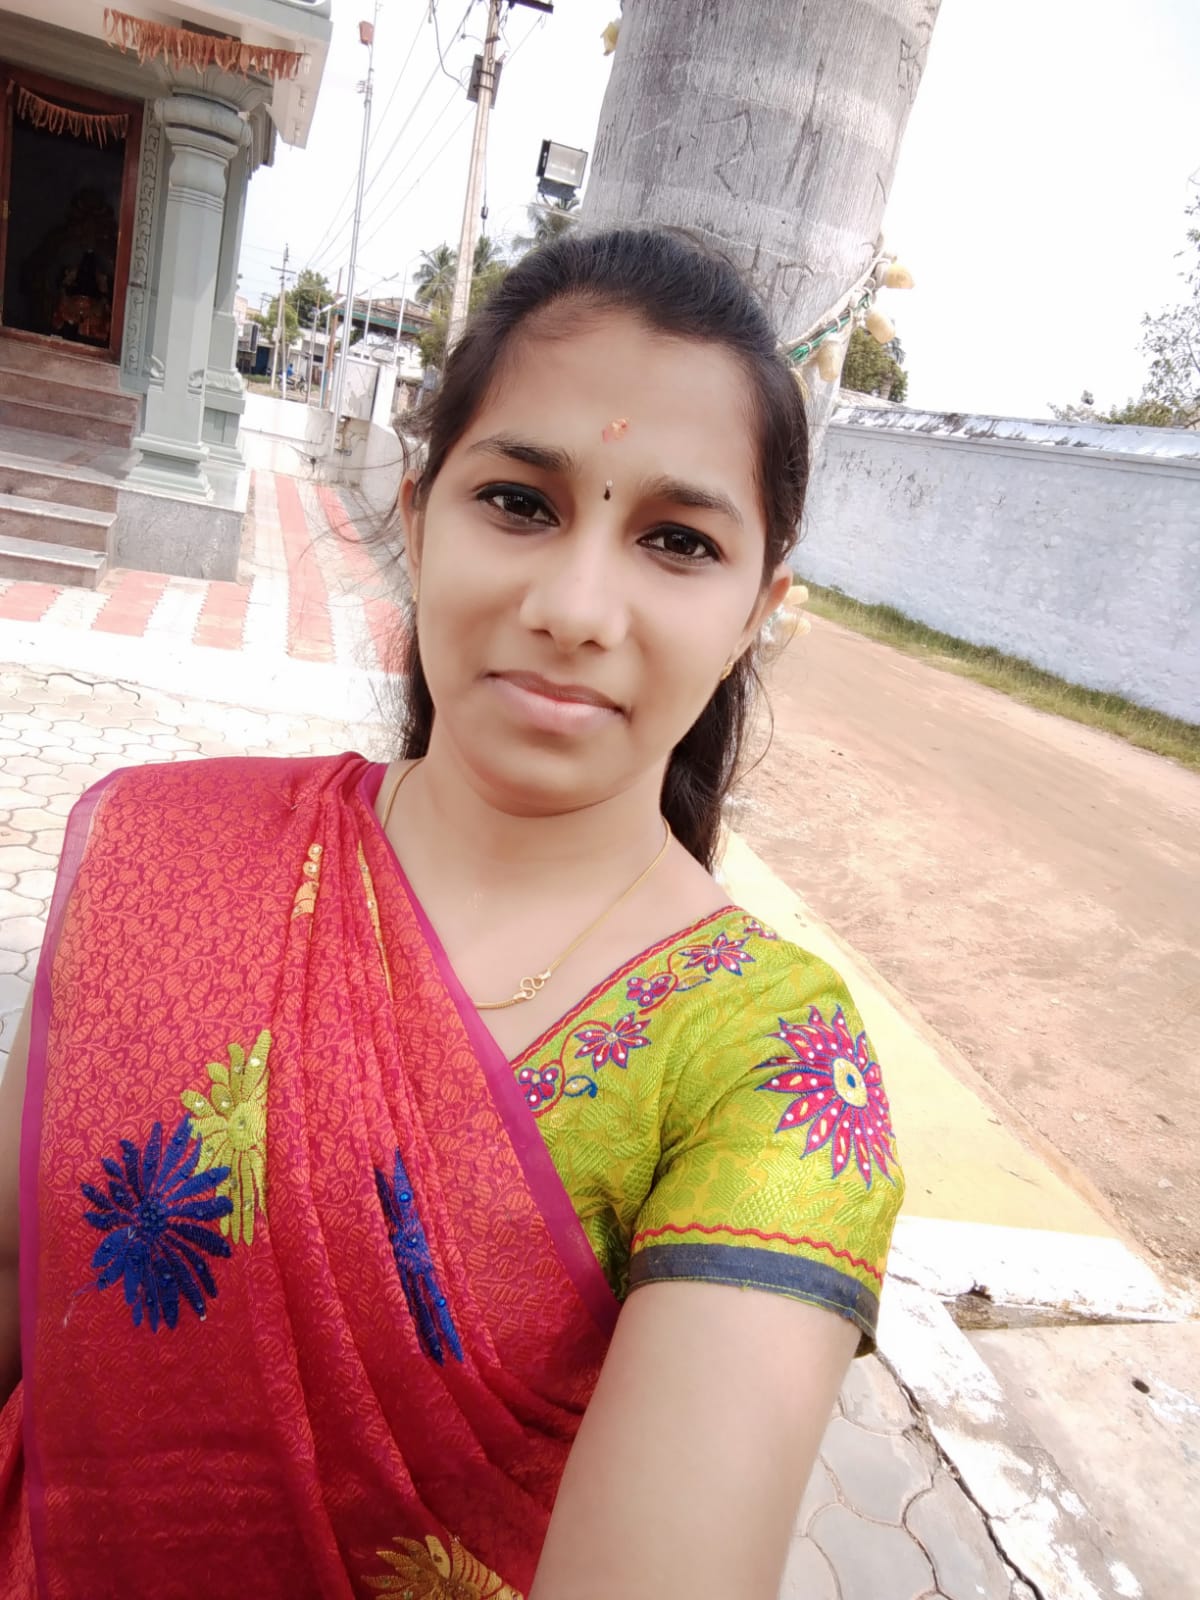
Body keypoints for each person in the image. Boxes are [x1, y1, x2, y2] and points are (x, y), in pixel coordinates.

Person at [0, 229, 903, 1599]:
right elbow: (19, 1275)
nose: (575, 607)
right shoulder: (155, 847)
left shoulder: (771, 1070)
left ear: (754, 614)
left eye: (677, 541)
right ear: (419, 522)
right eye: (520, 503)